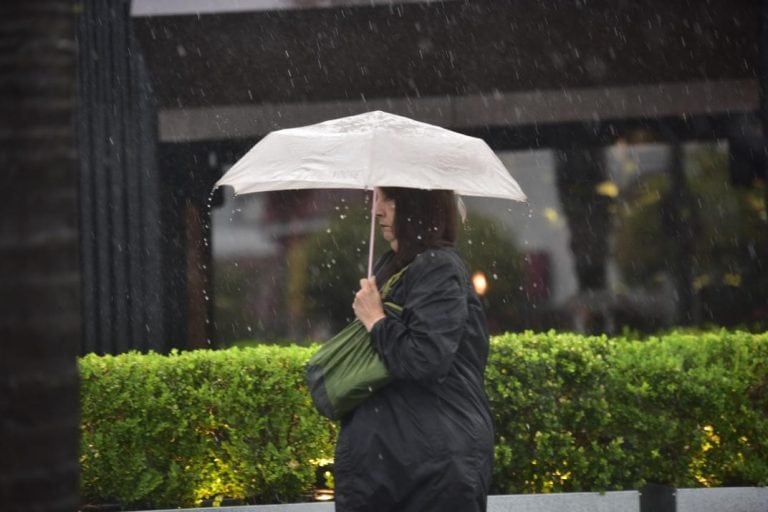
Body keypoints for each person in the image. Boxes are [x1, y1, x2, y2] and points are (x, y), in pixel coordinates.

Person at [334, 186, 495, 512]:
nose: (377, 210)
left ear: (417, 205)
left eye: (388, 199)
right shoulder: (396, 265)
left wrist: (377, 321)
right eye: (376, 198)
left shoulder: (437, 268)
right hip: (396, 465)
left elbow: (425, 359)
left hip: (427, 471)